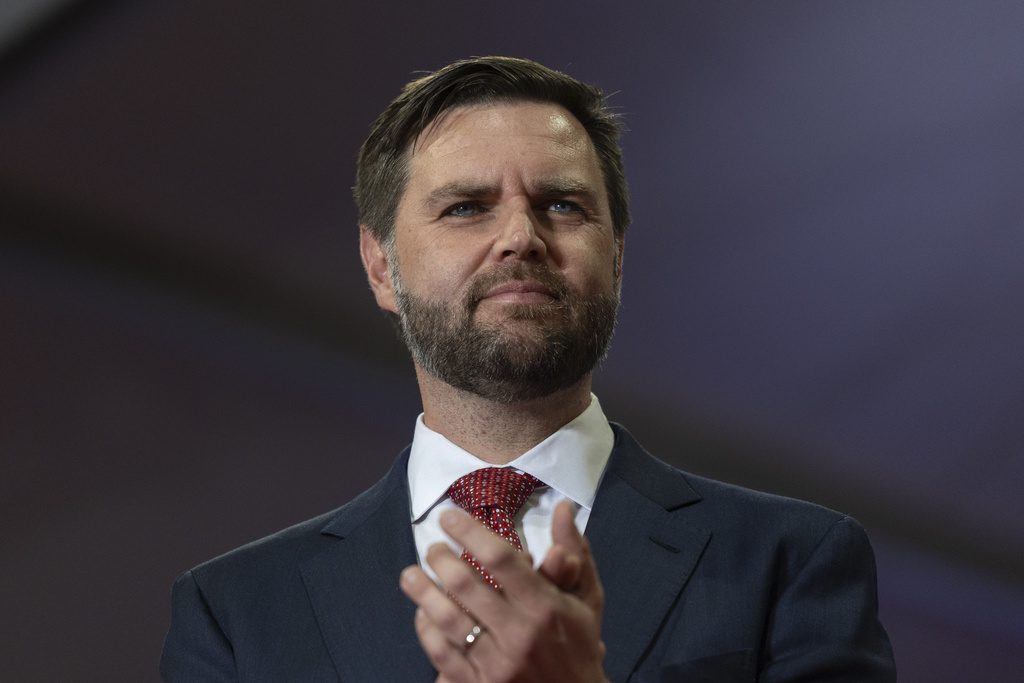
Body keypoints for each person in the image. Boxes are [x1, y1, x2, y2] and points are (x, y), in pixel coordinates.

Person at [160, 56, 896, 682]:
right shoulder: (236, 612)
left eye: (562, 204)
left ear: (616, 252)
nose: (521, 236)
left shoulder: (790, 562)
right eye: (467, 208)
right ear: (380, 265)